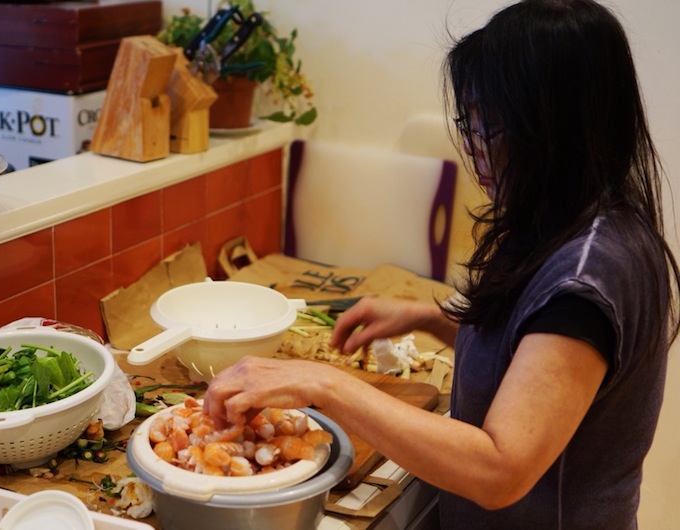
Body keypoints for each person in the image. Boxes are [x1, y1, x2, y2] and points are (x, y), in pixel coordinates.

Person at [203, 0, 680, 527]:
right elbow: (529, 350)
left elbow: (500, 468)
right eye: (469, 125)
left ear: (559, 127)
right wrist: (431, 317)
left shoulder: (590, 277)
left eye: (492, 129)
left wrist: (325, 383)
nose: (476, 152)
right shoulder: (564, 215)